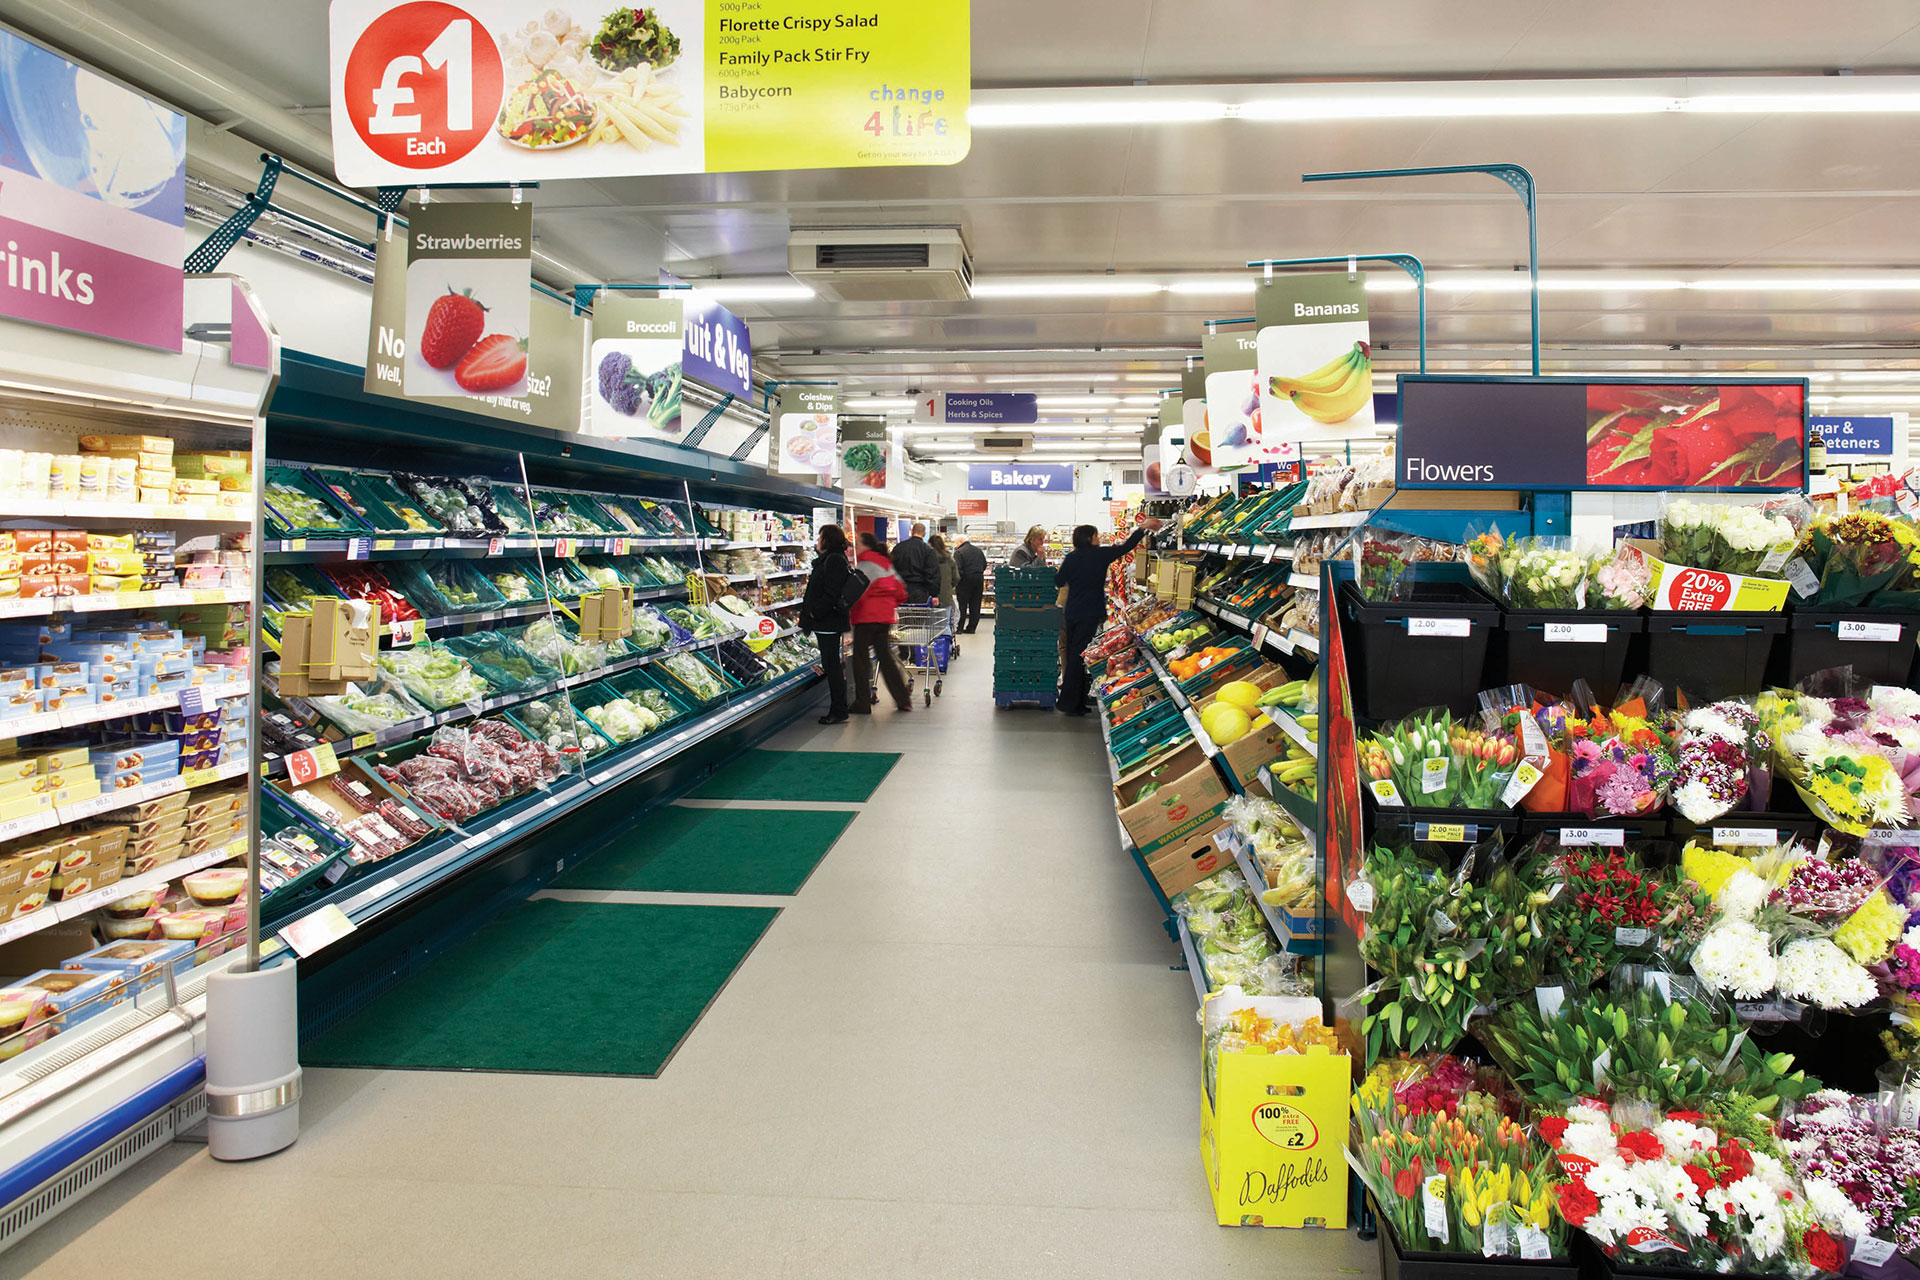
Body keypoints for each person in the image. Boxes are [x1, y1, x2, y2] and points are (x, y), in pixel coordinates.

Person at [1054, 518, 1164, 716]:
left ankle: (1074, 702)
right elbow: (1126, 547)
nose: (1098, 538)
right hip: (1089, 613)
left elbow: (1059, 580)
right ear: (1089, 538)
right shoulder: (1099, 555)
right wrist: (1142, 528)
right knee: (1080, 657)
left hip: (1072, 612)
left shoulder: (1071, 558)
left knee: (1073, 654)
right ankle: (1070, 703)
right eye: (1095, 535)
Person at [797, 524, 860, 724]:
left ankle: (839, 710)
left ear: (827, 540)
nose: (817, 540)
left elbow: (832, 593)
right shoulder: (834, 558)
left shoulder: (833, 560)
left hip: (828, 622)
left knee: (832, 666)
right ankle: (839, 708)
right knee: (832, 665)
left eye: (820, 537)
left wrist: (815, 612)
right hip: (828, 621)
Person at [849, 531, 912, 713]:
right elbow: (901, 591)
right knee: (885, 658)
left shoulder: (864, 565)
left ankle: (862, 703)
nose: (855, 547)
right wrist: (887, 604)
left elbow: (857, 593)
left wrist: (847, 610)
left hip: (866, 617)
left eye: (857, 544)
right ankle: (903, 700)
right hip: (884, 618)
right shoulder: (886, 563)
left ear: (865, 546)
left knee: (861, 660)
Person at [890, 522, 941, 604]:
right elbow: (932, 574)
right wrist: (934, 594)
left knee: (901, 612)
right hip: (920, 591)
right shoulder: (928, 550)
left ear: (911, 532)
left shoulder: (898, 548)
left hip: (900, 589)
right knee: (918, 612)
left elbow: (891, 568)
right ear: (924, 534)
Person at [954, 535, 987, 633]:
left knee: (962, 604)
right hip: (979, 578)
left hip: (965, 579)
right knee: (975, 604)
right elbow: (984, 565)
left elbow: (958, 569)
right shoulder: (978, 551)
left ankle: (959, 628)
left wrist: (956, 582)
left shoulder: (959, 552)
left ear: (959, 542)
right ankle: (972, 628)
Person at [929, 534, 959, 640]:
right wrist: (949, 587)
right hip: (946, 596)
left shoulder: (927, 558)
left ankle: (931, 647)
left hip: (930, 596)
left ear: (930, 544)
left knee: (930, 626)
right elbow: (956, 577)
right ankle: (946, 647)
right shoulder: (949, 558)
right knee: (945, 624)